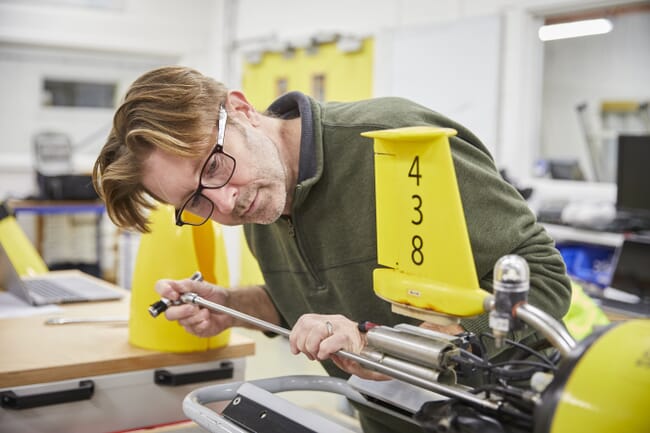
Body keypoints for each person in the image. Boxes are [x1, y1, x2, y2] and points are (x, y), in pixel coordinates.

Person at [93, 66, 571, 432]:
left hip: (499, 415)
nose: (225, 201)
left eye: (214, 166)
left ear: (239, 111)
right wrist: (232, 306)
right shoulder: (260, 199)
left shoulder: (394, 142)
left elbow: (543, 279)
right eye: (195, 200)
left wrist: (388, 350)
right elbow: (310, 302)